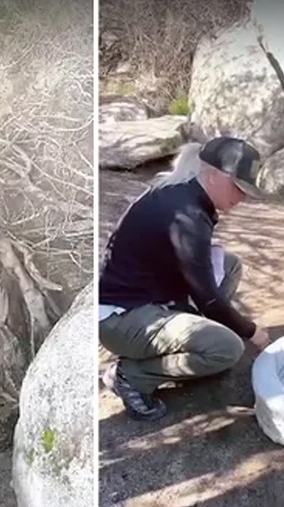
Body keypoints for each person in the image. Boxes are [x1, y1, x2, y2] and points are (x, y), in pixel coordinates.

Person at [98, 137, 272, 421]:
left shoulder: (178, 190)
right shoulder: (187, 215)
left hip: (141, 298)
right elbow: (210, 299)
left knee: (230, 266)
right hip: (121, 318)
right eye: (238, 188)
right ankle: (131, 377)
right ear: (215, 175)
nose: (242, 198)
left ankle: (196, 338)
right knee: (229, 349)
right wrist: (254, 332)